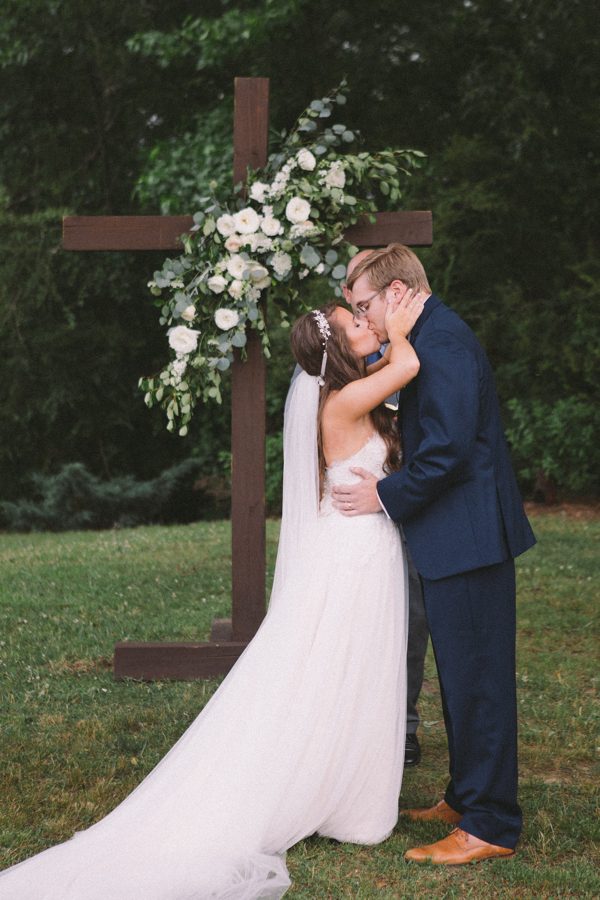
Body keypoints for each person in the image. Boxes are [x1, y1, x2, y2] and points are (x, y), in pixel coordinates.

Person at [0, 290, 426, 899]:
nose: (368, 322)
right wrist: (404, 325)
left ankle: (346, 788)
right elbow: (405, 367)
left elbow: (392, 380)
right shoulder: (340, 402)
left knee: (355, 669)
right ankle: (339, 795)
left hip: (364, 549)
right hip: (352, 557)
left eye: (364, 316)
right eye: (355, 321)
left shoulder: (353, 393)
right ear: (335, 354)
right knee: (339, 665)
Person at [333, 243, 536, 865]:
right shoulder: (430, 337)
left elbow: (446, 450)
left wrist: (383, 496)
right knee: (461, 676)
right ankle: (464, 796)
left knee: (479, 685)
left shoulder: (442, 345)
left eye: (365, 305)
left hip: (469, 538)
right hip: (458, 536)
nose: (361, 320)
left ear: (397, 294)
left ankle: (491, 824)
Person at [343, 250, 429, 768]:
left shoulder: (411, 348)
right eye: (353, 310)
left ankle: (405, 725)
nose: (362, 316)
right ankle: (380, 725)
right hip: (370, 510)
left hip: (412, 498)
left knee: (412, 615)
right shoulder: (357, 372)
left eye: (364, 304)